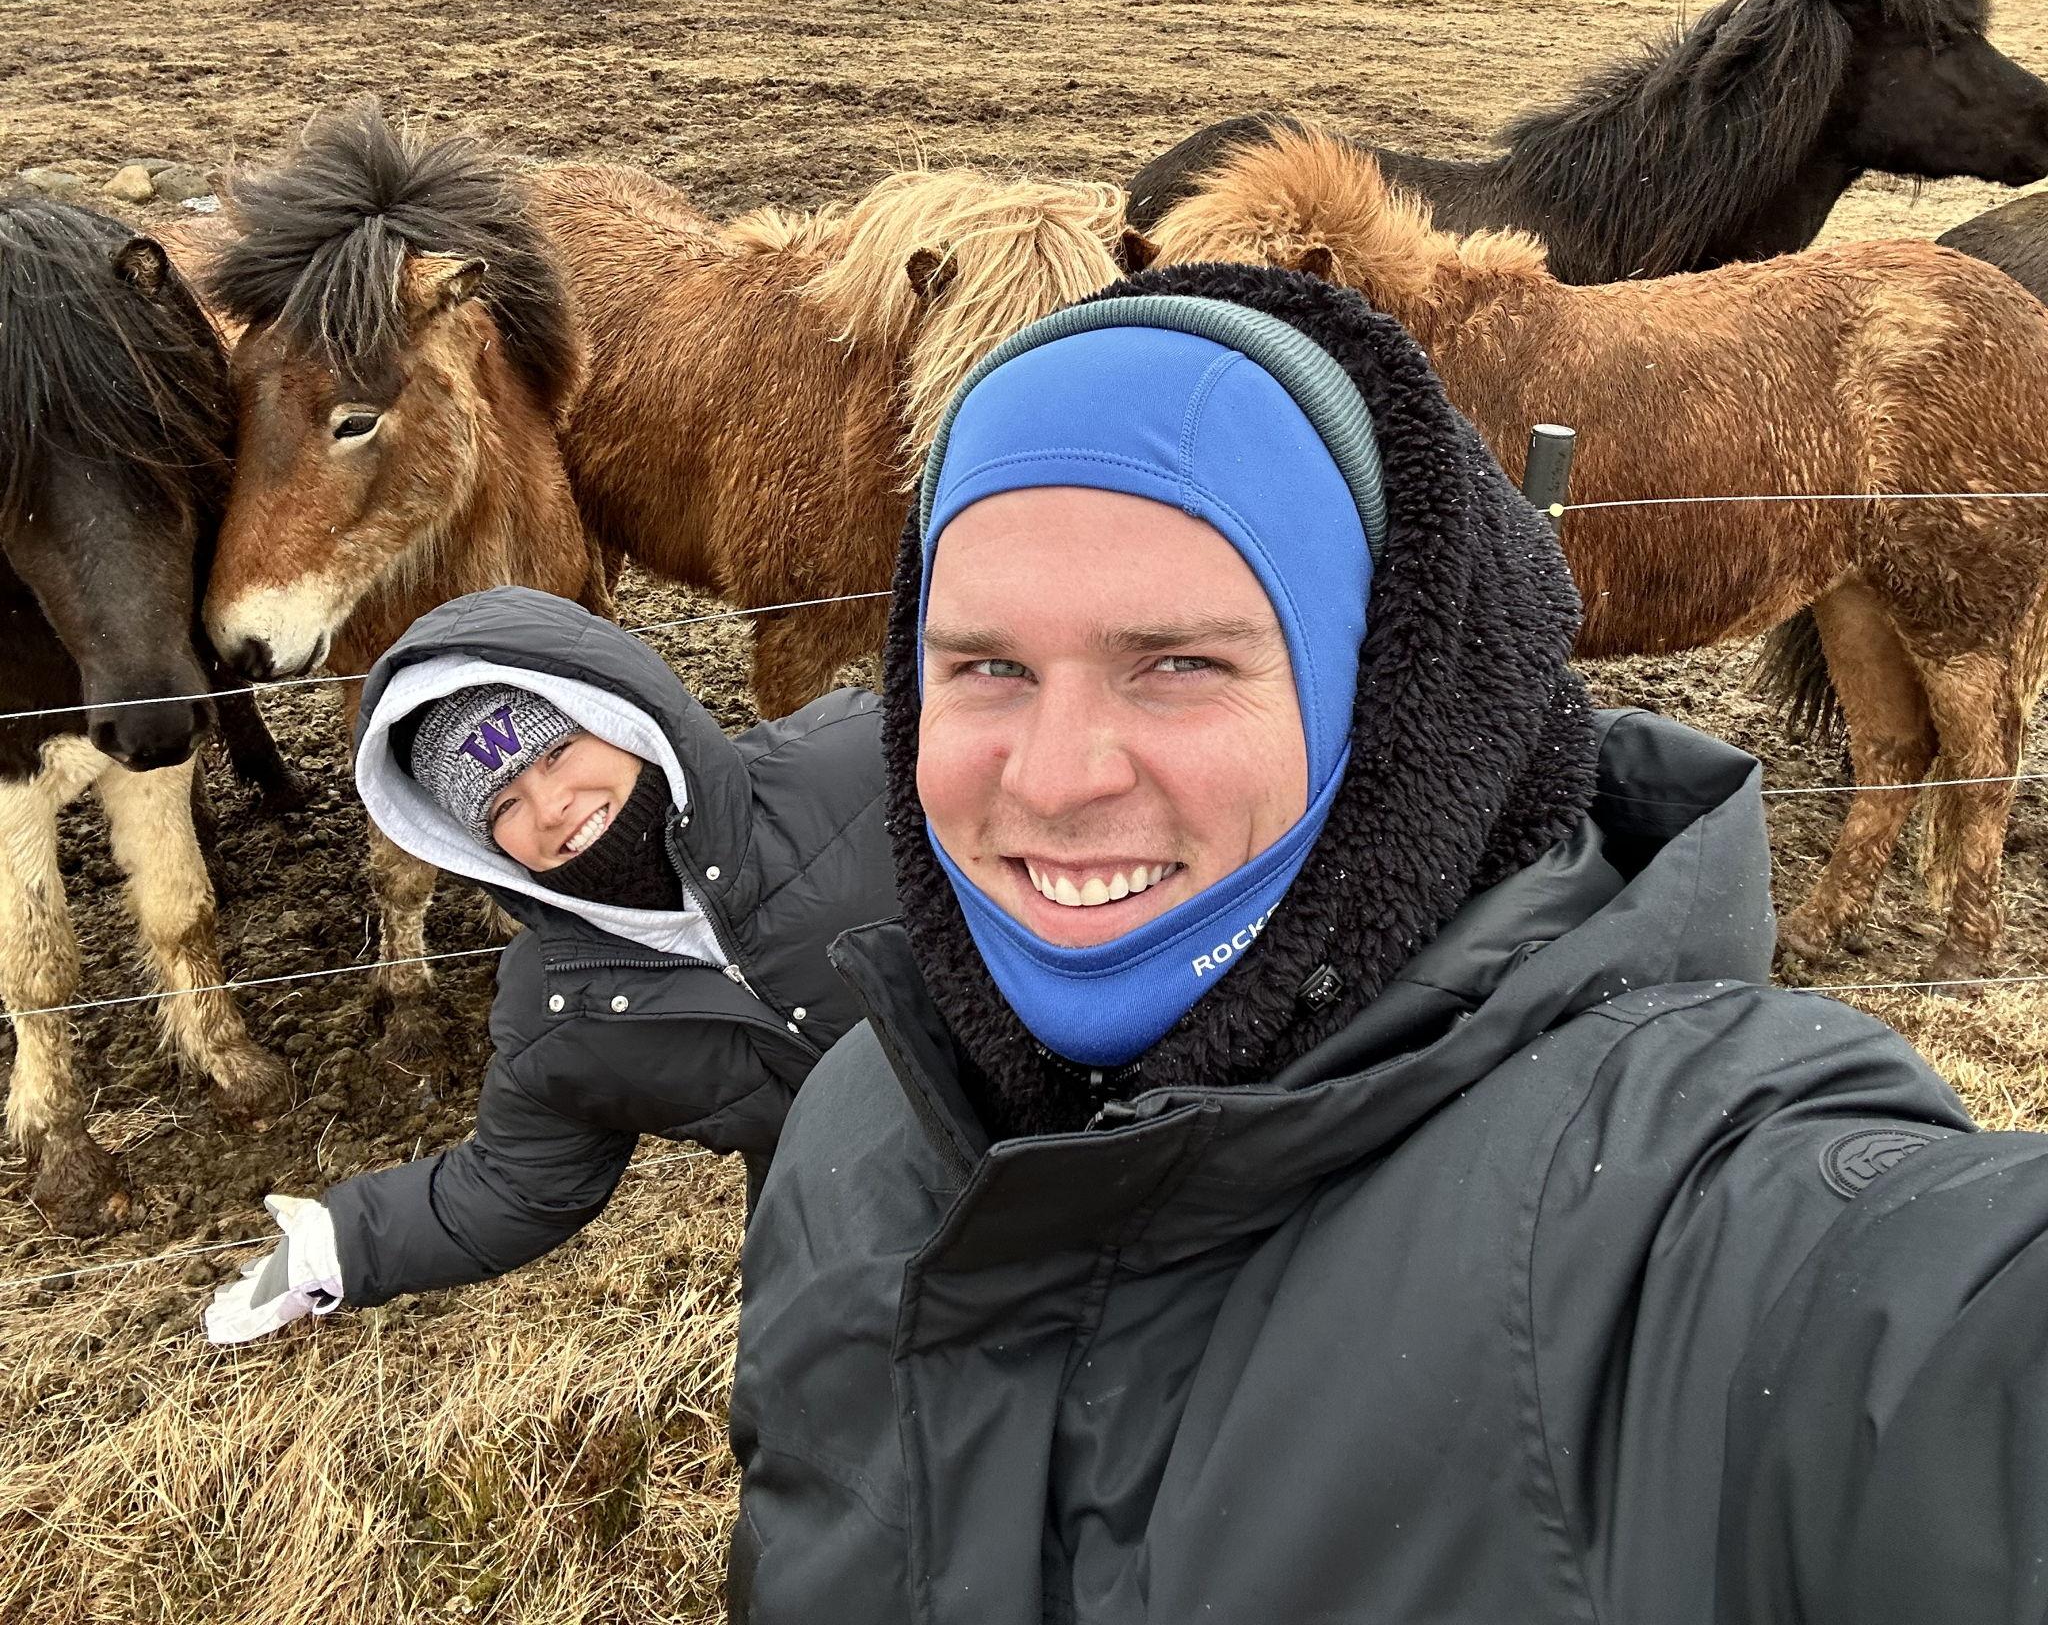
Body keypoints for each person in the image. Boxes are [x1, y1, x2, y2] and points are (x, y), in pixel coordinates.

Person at [726, 265, 2048, 1625]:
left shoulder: (1690, 1217)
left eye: (1182, 662)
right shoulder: (860, 1131)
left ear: (1391, 686)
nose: (1056, 781)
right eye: (986, 665)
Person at [204, 585, 895, 1342]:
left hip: (1037, 1149)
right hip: (856, 1253)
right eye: (501, 806)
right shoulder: (556, 1008)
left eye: (558, 751)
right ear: (474, 846)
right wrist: (336, 1246)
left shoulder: (861, 767)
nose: (553, 805)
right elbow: (516, 1185)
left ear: (618, 715)